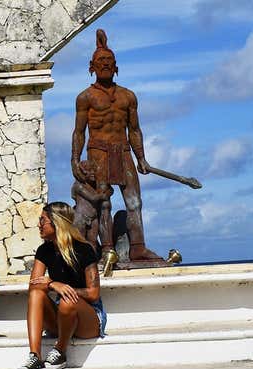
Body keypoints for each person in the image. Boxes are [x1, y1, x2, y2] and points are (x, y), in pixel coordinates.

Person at [71, 28, 162, 262]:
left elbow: (134, 129)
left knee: (134, 201)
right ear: (91, 66)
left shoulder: (128, 96)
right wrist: (74, 160)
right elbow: (79, 131)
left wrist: (141, 157)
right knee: (104, 203)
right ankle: (107, 249)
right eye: (101, 61)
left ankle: (138, 247)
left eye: (109, 61)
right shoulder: (85, 97)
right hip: (98, 151)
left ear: (116, 65)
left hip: (123, 151)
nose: (105, 64)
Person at [18, 202, 107, 369]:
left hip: (88, 318)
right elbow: (33, 285)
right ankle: (35, 357)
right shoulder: (44, 251)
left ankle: (60, 350)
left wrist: (67, 290)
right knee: (37, 293)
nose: (39, 225)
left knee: (68, 300)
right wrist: (53, 284)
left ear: (57, 223)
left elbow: (94, 293)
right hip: (62, 316)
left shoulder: (83, 249)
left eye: (43, 220)